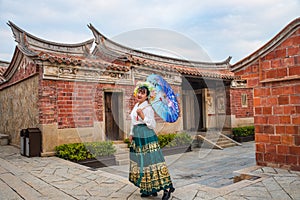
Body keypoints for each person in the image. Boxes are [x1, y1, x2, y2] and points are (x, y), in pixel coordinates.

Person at [128, 82, 175, 200]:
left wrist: (143, 116)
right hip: (138, 136)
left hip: (147, 135)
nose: (140, 94)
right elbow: (133, 121)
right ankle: (149, 189)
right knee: (143, 162)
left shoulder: (148, 108)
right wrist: (131, 134)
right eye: (139, 92)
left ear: (147, 96)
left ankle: (167, 188)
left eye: (143, 93)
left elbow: (152, 124)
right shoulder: (136, 106)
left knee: (154, 161)